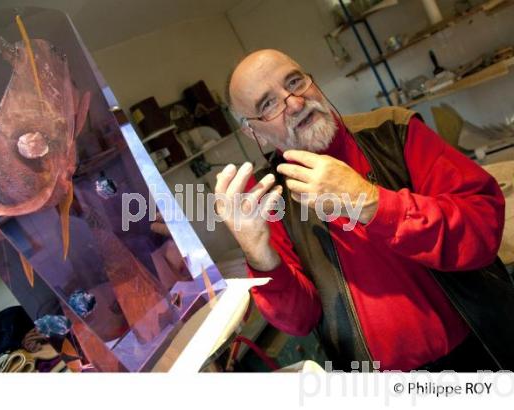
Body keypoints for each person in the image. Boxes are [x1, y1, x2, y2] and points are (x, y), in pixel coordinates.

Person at [214, 49, 514, 371]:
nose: (296, 103)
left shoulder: (393, 131)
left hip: (481, 350)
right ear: (253, 131)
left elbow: (482, 229)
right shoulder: (270, 199)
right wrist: (261, 258)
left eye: (295, 81)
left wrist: (370, 202)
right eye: (268, 104)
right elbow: (300, 320)